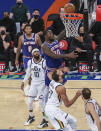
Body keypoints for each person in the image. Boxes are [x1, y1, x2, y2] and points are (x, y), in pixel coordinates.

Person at [21, 48, 48, 128]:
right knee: (29, 101)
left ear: (39, 53)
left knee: (41, 102)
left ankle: (45, 120)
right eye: (35, 52)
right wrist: (23, 82)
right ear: (32, 54)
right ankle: (31, 116)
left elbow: (48, 73)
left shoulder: (44, 62)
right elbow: (28, 73)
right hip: (34, 84)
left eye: (37, 52)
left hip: (42, 84)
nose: (36, 53)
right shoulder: (30, 62)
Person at [15, 24, 42, 96]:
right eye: (26, 29)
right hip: (26, 58)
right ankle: (30, 88)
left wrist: (41, 56)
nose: (28, 30)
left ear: (31, 30)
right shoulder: (21, 38)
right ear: (24, 30)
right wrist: (16, 59)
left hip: (35, 58)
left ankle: (30, 88)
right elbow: (18, 49)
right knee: (29, 74)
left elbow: (41, 47)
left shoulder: (36, 36)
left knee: (35, 74)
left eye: (29, 28)